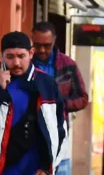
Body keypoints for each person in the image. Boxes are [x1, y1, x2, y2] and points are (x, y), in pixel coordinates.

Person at [0, 31, 66, 175]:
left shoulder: (46, 84)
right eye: (10, 57)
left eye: (21, 56)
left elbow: (60, 129)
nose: (16, 63)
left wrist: (47, 167)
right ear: (2, 55)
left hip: (34, 169)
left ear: (31, 53)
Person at [32, 22, 89, 175]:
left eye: (47, 45)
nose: (42, 50)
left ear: (54, 40)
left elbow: (83, 98)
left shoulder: (68, 65)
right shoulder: (25, 64)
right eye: (37, 45)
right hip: (30, 135)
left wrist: (60, 105)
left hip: (59, 132)